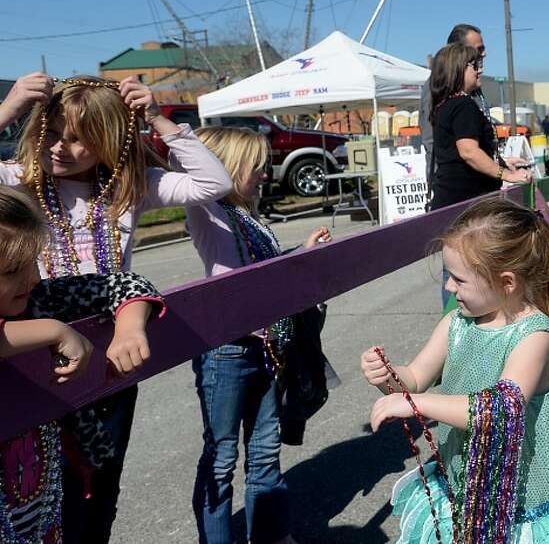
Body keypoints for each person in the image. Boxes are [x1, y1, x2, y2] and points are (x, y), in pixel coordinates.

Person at [0, 73, 232, 541]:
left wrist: (157, 120)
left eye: (79, 139)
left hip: (108, 353)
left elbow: (214, 181)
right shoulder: (21, 180)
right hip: (36, 351)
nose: (61, 148)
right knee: (47, 481)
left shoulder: (130, 187)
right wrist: (8, 108)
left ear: (108, 141)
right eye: (54, 132)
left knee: (101, 480)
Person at [361, 197, 549, 542]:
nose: (449, 287)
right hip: (462, 490)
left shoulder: (535, 335)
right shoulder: (455, 322)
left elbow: (501, 408)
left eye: (458, 279)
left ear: (506, 282)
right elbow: (415, 378)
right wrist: (388, 377)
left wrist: (416, 403)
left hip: (520, 509)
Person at [185, 127, 333, 544]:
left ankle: (270, 535)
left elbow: (264, 275)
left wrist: (301, 253)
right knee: (221, 459)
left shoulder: (249, 217)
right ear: (229, 167)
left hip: (269, 348)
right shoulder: (209, 211)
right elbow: (197, 173)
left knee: (266, 454)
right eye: (256, 165)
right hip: (228, 353)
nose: (265, 174)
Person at [0, 186, 164, 544]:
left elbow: (125, 283)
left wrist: (129, 328)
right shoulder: (44, 314)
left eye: (33, 263)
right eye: (13, 270)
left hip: (49, 485)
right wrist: (52, 329)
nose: (31, 279)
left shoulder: (41, 295)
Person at [429, 42, 530, 214]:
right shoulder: (463, 105)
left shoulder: (445, 105)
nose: (479, 70)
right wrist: (507, 175)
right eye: (474, 65)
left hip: (453, 201)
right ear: (458, 69)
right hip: (466, 203)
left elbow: (455, 153)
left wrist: (501, 162)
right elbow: (469, 152)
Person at [420, 24, 490, 196]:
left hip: (478, 180)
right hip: (456, 187)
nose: (484, 54)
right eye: (479, 49)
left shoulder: (472, 85)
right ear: (459, 51)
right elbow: (432, 140)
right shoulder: (437, 87)